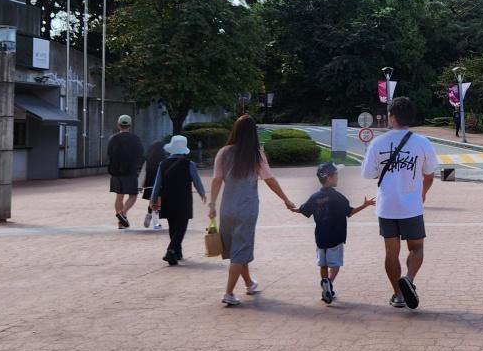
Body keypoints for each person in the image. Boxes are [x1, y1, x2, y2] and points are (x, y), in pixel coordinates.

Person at [208, 115, 296, 307]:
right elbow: (270, 180)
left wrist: (212, 204)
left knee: (237, 249)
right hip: (247, 209)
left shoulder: (223, 152)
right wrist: (286, 199)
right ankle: (229, 293)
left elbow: (216, 180)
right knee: (241, 250)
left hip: (227, 208)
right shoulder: (256, 155)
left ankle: (249, 283)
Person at [361, 96, 439, 310]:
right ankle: (410, 279)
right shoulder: (422, 143)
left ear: (392, 117)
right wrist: (422, 193)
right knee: (416, 248)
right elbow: (430, 174)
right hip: (411, 206)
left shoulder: (378, 143)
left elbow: (368, 174)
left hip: (386, 206)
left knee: (390, 252)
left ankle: (397, 294)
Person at [294, 162, 375, 304]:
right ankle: (329, 284)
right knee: (335, 265)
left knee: (323, 265)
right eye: (336, 174)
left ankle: (325, 282)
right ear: (330, 177)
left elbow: (303, 209)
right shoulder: (337, 197)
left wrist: (294, 208)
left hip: (320, 237)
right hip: (336, 237)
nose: (338, 177)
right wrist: (365, 205)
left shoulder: (315, 197)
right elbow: (350, 212)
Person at [149, 135, 207, 265]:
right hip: (184, 199)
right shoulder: (189, 164)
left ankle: (177, 252)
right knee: (181, 227)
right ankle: (171, 251)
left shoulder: (163, 164)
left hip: (168, 199)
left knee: (173, 226)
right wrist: (202, 193)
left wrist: (153, 200)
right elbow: (196, 181)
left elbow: (157, 184)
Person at [106, 115, 144, 229]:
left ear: (118, 125)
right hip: (130, 171)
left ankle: (121, 223)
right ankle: (122, 214)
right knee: (133, 195)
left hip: (116, 172)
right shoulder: (135, 139)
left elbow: (109, 154)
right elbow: (140, 153)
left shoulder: (113, 138)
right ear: (130, 126)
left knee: (119, 196)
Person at [141, 137, 167, 229]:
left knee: (153, 202)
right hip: (160, 185)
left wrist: (140, 185)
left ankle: (150, 215)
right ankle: (156, 222)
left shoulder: (148, 160)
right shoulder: (164, 161)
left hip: (149, 185)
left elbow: (143, 173)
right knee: (158, 204)